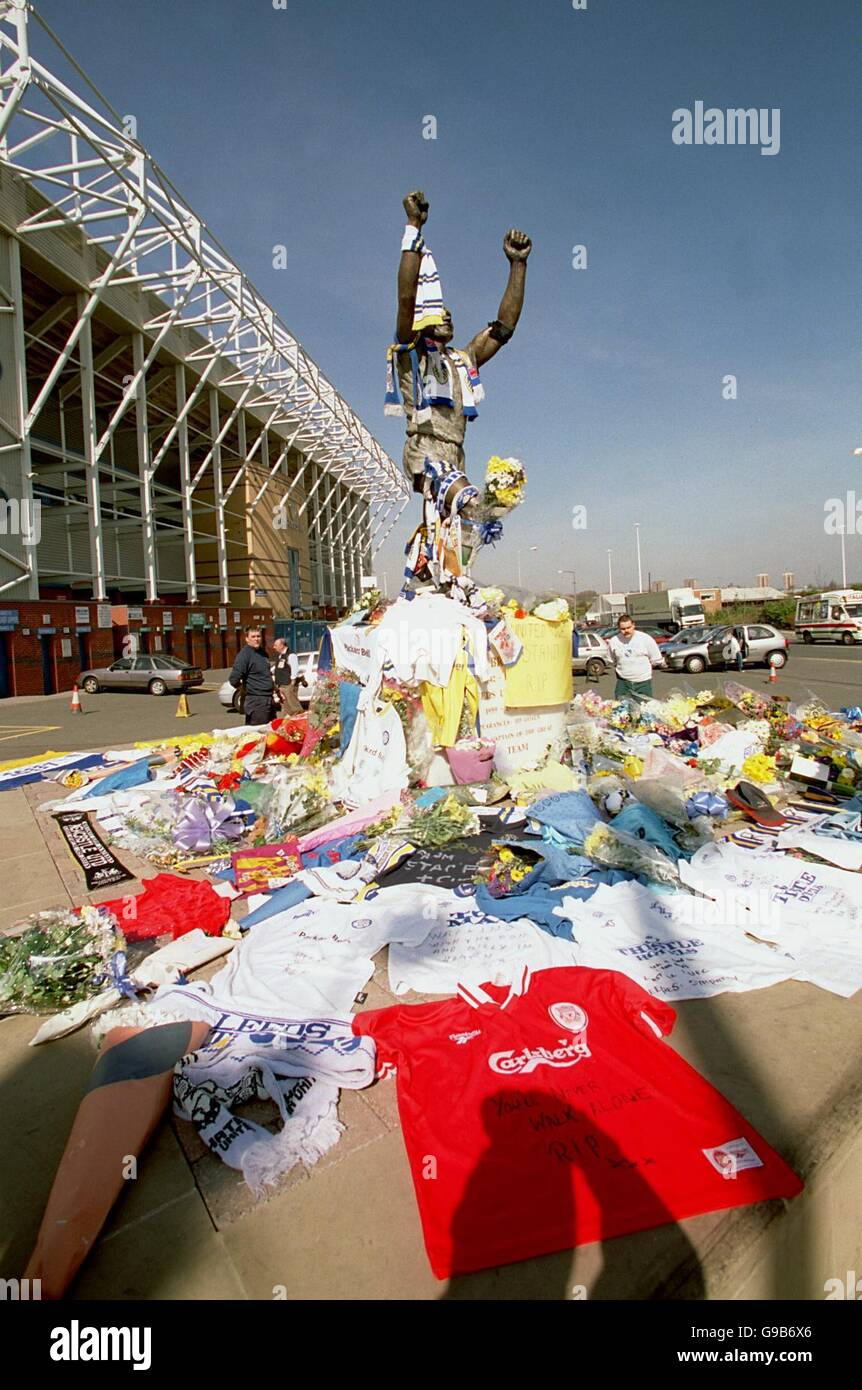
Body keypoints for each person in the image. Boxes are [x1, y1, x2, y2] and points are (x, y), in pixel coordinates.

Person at [607, 614, 663, 700]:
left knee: (645, 710)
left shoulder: (645, 639)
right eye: (623, 629)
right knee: (621, 710)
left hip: (643, 683)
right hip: (623, 683)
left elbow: (656, 660)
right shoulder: (614, 641)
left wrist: (643, 671)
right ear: (618, 628)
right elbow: (612, 661)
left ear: (633, 625)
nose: (626, 631)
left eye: (629, 627)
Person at [228, 627, 277, 726]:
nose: (256, 639)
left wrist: (277, 691)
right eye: (253, 636)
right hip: (256, 702)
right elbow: (234, 679)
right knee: (258, 734)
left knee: (272, 732)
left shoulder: (263, 654)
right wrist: (247, 689)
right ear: (247, 639)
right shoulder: (244, 655)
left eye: (258, 636)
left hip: (268, 699)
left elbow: (266, 675)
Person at [271, 636, 304, 716]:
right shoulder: (280, 656)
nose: (274, 647)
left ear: (282, 645)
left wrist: (292, 683)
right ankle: (290, 724)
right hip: (281, 685)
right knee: (286, 707)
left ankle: (300, 721)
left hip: (288, 684)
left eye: (276, 645)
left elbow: (294, 669)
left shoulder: (291, 655)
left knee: (294, 706)